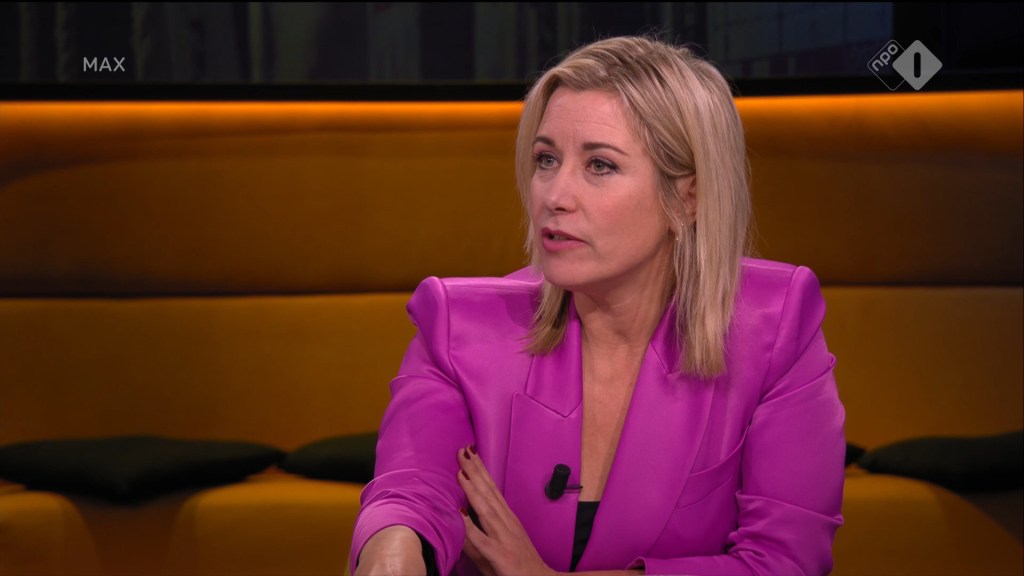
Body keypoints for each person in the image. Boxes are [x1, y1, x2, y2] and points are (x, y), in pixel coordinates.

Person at [350, 36, 845, 576]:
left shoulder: (775, 328)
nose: (554, 196)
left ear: (688, 197)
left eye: (600, 166)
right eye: (546, 160)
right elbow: (409, 493)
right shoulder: (457, 326)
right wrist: (392, 552)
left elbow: (784, 563)